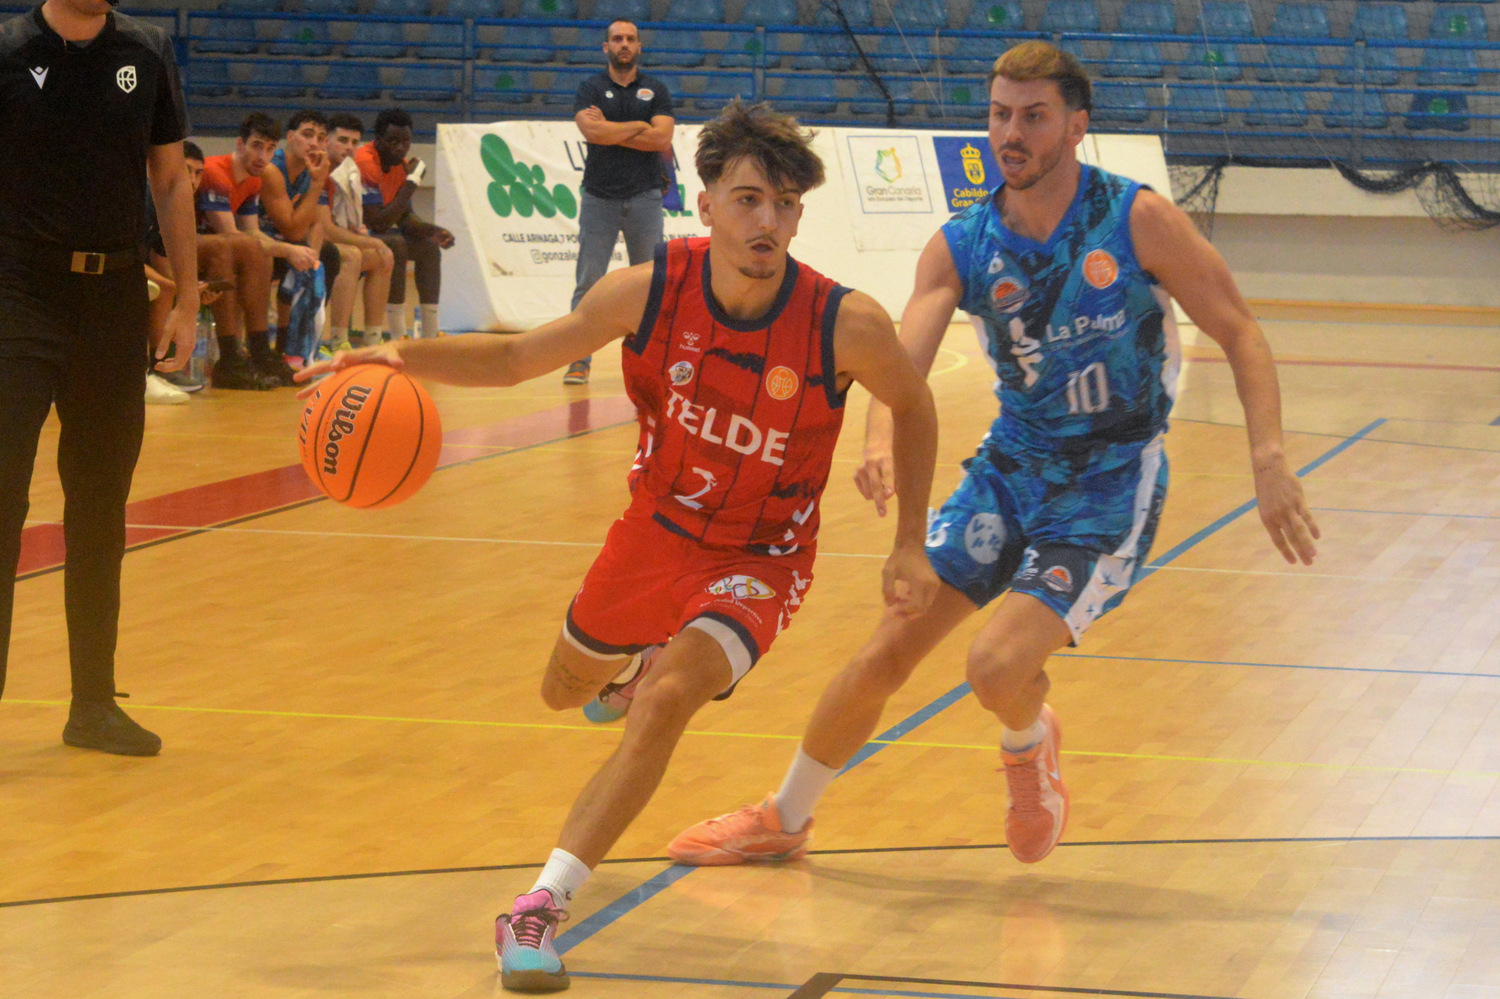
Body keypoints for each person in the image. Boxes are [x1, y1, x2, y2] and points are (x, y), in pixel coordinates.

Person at [297, 100, 940, 993]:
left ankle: (539, 905)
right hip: (656, 529)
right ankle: (625, 668)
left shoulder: (845, 323)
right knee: (562, 690)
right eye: (749, 199)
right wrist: (399, 357)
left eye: (786, 204)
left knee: (670, 697)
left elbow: (914, 403)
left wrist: (910, 541)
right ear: (705, 205)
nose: (768, 221)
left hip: (761, 556)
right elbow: (520, 358)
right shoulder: (649, 290)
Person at [667, 42, 1322, 869]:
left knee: (994, 665)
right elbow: (899, 364)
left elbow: (1240, 329)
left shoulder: (1136, 219)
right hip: (1010, 469)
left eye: (1033, 117)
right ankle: (783, 815)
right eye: (1000, 114)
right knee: (887, 646)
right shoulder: (964, 244)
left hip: (1109, 484)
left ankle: (1029, 740)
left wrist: (1268, 456)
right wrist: (877, 437)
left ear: (1076, 126)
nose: (1011, 133)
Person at [0, 0, 197, 755]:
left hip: (113, 299)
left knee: (99, 506)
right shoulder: (9, 50)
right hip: (19, 293)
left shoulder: (146, 50)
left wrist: (186, 300)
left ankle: (92, 706)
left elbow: (170, 180)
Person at [562, 16, 674, 385]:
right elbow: (591, 132)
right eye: (617, 39)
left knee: (651, 284)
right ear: (605, 47)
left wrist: (609, 130)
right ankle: (578, 360)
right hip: (600, 198)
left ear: (639, 46)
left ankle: (651, 362)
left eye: (629, 39)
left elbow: (661, 140)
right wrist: (640, 126)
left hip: (645, 198)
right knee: (589, 281)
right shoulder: (590, 88)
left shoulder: (656, 89)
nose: (623, 44)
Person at [198, 112, 319, 388]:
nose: (263, 157)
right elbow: (232, 236)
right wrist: (287, 250)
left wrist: (286, 249)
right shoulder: (215, 172)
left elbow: (251, 231)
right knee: (234, 249)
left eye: (270, 149)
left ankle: (259, 351)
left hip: (215, 248)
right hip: (179, 245)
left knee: (258, 252)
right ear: (240, 144)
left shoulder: (253, 180)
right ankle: (231, 357)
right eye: (256, 146)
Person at [355, 108, 453, 342]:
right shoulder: (366, 162)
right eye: (393, 141)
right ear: (378, 140)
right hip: (353, 233)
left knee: (429, 247)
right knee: (396, 244)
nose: (401, 148)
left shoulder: (401, 166)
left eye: (406, 141)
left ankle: (430, 334)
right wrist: (412, 182)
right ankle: (398, 334)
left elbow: (405, 218)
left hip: (375, 234)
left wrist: (431, 230)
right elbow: (378, 222)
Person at [258, 109, 342, 377]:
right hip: (260, 242)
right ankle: (272, 350)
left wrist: (311, 258)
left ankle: (300, 346)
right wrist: (317, 184)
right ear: (290, 137)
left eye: (320, 138)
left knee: (326, 257)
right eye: (307, 135)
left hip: (286, 244)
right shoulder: (273, 169)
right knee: (289, 263)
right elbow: (292, 230)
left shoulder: (313, 169)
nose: (314, 143)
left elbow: (317, 223)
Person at [325, 112, 395, 349]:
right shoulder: (318, 169)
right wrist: (371, 241)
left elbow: (345, 223)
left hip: (329, 240)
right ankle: (339, 341)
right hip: (305, 240)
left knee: (381, 258)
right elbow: (325, 229)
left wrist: (358, 231)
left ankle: (373, 339)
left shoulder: (349, 172)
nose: (349, 147)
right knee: (353, 255)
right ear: (325, 140)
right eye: (342, 140)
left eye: (354, 142)